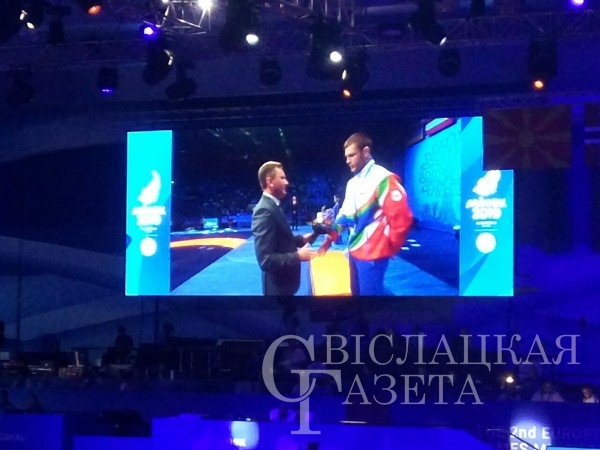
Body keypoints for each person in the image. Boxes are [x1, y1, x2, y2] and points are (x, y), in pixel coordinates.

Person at [318, 132, 413, 296]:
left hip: (373, 255)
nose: (347, 161)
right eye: (346, 157)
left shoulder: (383, 179)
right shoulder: (352, 183)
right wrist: (329, 240)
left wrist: (390, 248)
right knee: (357, 295)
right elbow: (344, 216)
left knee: (371, 301)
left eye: (352, 155)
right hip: (354, 250)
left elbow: (402, 218)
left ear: (366, 152)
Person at [251, 161, 316, 296]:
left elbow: (280, 240)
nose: (287, 182)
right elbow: (265, 260)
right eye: (282, 178)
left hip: (284, 285)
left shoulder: (273, 205)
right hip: (277, 290)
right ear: (270, 182)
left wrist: (301, 239)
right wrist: (297, 256)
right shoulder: (264, 210)